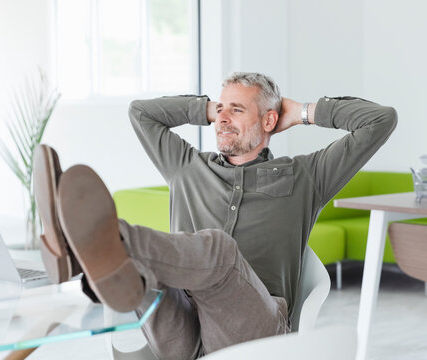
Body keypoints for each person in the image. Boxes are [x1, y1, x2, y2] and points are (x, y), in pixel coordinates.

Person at [33, 72, 397, 360]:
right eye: (220, 109)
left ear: (270, 119)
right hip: (179, 333)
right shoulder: (186, 166)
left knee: (219, 250)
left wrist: (302, 112)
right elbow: (140, 112)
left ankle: (95, 241)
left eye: (236, 110)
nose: (223, 117)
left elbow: (380, 120)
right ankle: (101, 251)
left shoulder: (306, 176)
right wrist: (212, 109)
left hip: (252, 334)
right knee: (148, 274)